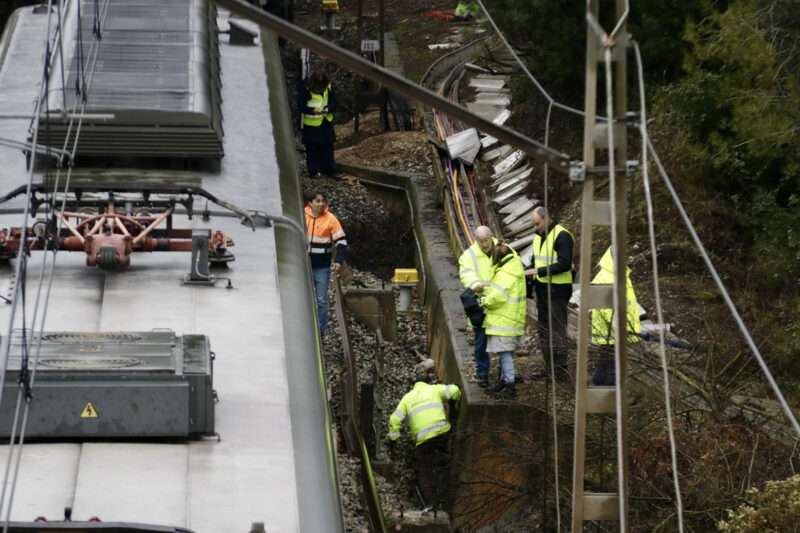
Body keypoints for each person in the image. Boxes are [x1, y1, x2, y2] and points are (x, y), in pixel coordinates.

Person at [388, 375, 461, 512]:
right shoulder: (434, 389)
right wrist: (454, 400)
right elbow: (454, 391)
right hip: (442, 434)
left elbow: (394, 419)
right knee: (441, 457)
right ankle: (443, 472)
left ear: (415, 385)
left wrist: (394, 438)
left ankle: (430, 503)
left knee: (424, 471)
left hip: (424, 440)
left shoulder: (407, 398)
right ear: (429, 382)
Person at [525, 206, 574, 382]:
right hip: (543, 290)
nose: (535, 228)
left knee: (557, 332)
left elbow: (564, 263)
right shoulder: (539, 237)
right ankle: (550, 369)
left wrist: (538, 271)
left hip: (557, 292)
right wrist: (531, 274)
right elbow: (535, 260)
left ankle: (560, 372)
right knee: (544, 331)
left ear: (547, 219)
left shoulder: (562, 236)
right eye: (533, 224)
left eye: (537, 224)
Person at [481, 243, 526, 399]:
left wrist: (484, 301)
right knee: (506, 354)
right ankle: (503, 382)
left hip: (503, 321)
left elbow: (496, 298)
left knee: (505, 355)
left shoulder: (504, 274)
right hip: (513, 320)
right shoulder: (516, 270)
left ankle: (509, 385)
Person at [590, 246, 641, 385]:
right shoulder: (606, 277)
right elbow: (605, 307)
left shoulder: (621, 275)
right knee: (613, 361)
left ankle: (600, 385)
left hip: (614, 329)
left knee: (607, 359)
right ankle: (610, 390)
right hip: (612, 330)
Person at [458, 226, 497, 388]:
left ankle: (503, 372)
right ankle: (482, 373)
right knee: (481, 341)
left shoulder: (501, 249)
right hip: (480, 304)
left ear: (491, 237)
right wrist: (475, 284)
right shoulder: (469, 255)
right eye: (480, 241)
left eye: (486, 240)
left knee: (503, 340)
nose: (484, 244)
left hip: (498, 302)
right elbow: (466, 273)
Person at [304, 190, 347, 336]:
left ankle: (320, 331)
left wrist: (339, 261)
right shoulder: (302, 216)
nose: (321, 204)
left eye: (323, 201)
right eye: (318, 201)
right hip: (303, 266)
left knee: (321, 300)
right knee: (303, 298)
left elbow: (341, 242)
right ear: (310, 203)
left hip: (321, 267)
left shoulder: (331, 219)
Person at [299, 69, 341, 180]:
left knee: (328, 146)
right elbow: (301, 106)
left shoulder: (328, 86)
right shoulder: (305, 88)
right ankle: (313, 171)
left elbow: (334, 102)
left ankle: (330, 170)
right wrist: (312, 110)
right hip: (311, 124)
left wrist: (328, 108)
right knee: (312, 148)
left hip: (325, 122)